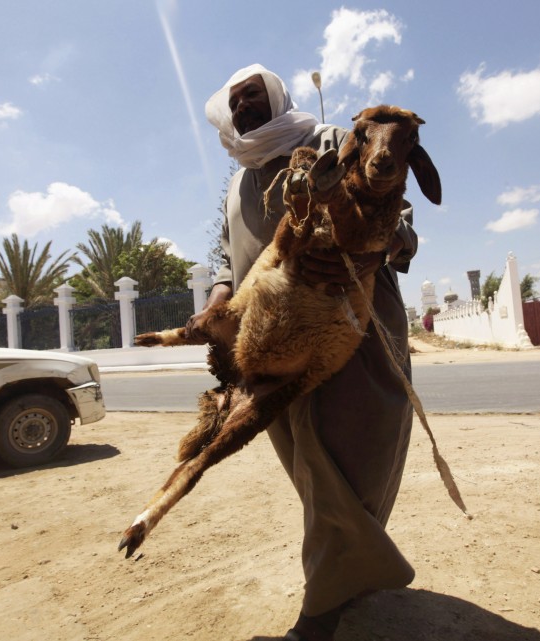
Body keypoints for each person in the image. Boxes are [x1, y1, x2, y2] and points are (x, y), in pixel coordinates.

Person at [197, 63, 419, 641]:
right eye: (237, 100)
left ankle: (317, 621)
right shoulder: (238, 183)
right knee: (311, 471)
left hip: (353, 336)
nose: (246, 107)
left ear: (279, 98)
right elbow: (227, 256)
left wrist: (375, 246)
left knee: (339, 467)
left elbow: (395, 211)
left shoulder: (324, 141)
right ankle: (352, 574)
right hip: (271, 347)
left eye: (255, 95)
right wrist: (218, 302)